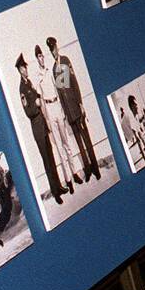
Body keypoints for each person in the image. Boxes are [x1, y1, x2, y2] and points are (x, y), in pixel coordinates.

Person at [17, 53, 69, 204]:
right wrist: (37, 104)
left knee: (51, 158)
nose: (26, 69)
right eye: (24, 68)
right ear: (20, 70)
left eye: (26, 67)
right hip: (37, 129)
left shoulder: (29, 84)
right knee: (46, 161)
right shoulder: (22, 89)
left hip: (43, 126)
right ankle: (55, 192)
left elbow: (37, 95)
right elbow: (28, 111)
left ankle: (58, 186)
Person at [48, 36, 101, 181]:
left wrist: (81, 103)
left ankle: (96, 168)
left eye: (54, 48)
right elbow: (61, 91)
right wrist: (64, 112)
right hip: (69, 113)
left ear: (57, 46)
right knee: (79, 143)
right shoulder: (54, 69)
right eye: (51, 50)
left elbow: (74, 83)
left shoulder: (65, 60)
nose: (54, 52)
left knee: (87, 139)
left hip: (77, 108)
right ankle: (88, 169)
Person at [34, 45, 81, 188]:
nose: (41, 58)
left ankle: (75, 174)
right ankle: (68, 181)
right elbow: (40, 100)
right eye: (39, 57)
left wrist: (62, 109)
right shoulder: (38, 76)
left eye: (42, 56)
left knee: (66, 144)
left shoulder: (50, 72)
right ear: (36, 59)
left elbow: (58, 89)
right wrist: (46, 119)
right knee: (59, 148)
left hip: (57, 106)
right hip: (49, 109)